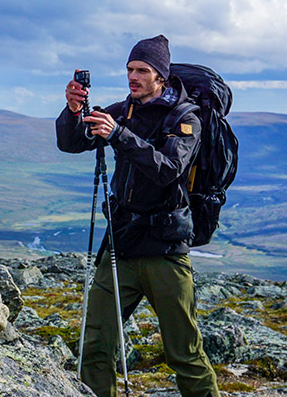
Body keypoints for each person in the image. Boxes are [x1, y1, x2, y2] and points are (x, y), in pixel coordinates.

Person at [56, 35, 219, 397]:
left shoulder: (185, 118)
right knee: (95, 345)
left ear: (160, 76)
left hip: (165, 250)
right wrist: (73, 112)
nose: (133, 76)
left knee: (184, 353)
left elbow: (168, 169)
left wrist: (120, 136)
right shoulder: (122, 111)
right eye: (130, 69)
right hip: (123, 244)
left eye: (142, 70)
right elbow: (71, 143)